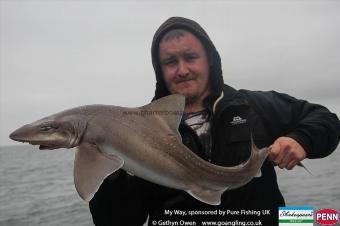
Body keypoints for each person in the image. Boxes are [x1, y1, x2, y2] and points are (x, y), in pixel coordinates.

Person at [89, 17, 340, 226]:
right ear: (159, 69)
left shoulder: (252, 106)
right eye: (170, 62)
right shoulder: (138, 130)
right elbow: (114, 221)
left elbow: (325, 118)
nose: (182, 69)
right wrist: (108, 172)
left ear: (209, 59)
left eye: (190, 57)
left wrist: (302, 140)